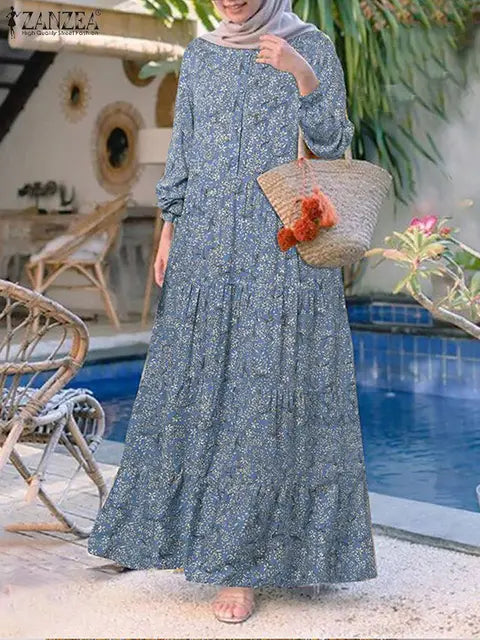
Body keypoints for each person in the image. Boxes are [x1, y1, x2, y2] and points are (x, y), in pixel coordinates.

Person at [87, 0, 378, 624]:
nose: (231, 1)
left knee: (262, 398)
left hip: (280, 248)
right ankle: (163, 532)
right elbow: (186, 147)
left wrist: (301, 73)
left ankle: (242, 566)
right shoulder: (202, 55)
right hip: (207, 244)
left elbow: (333, 145)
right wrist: (170, 228)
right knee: (190, 390)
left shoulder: (309, 46)